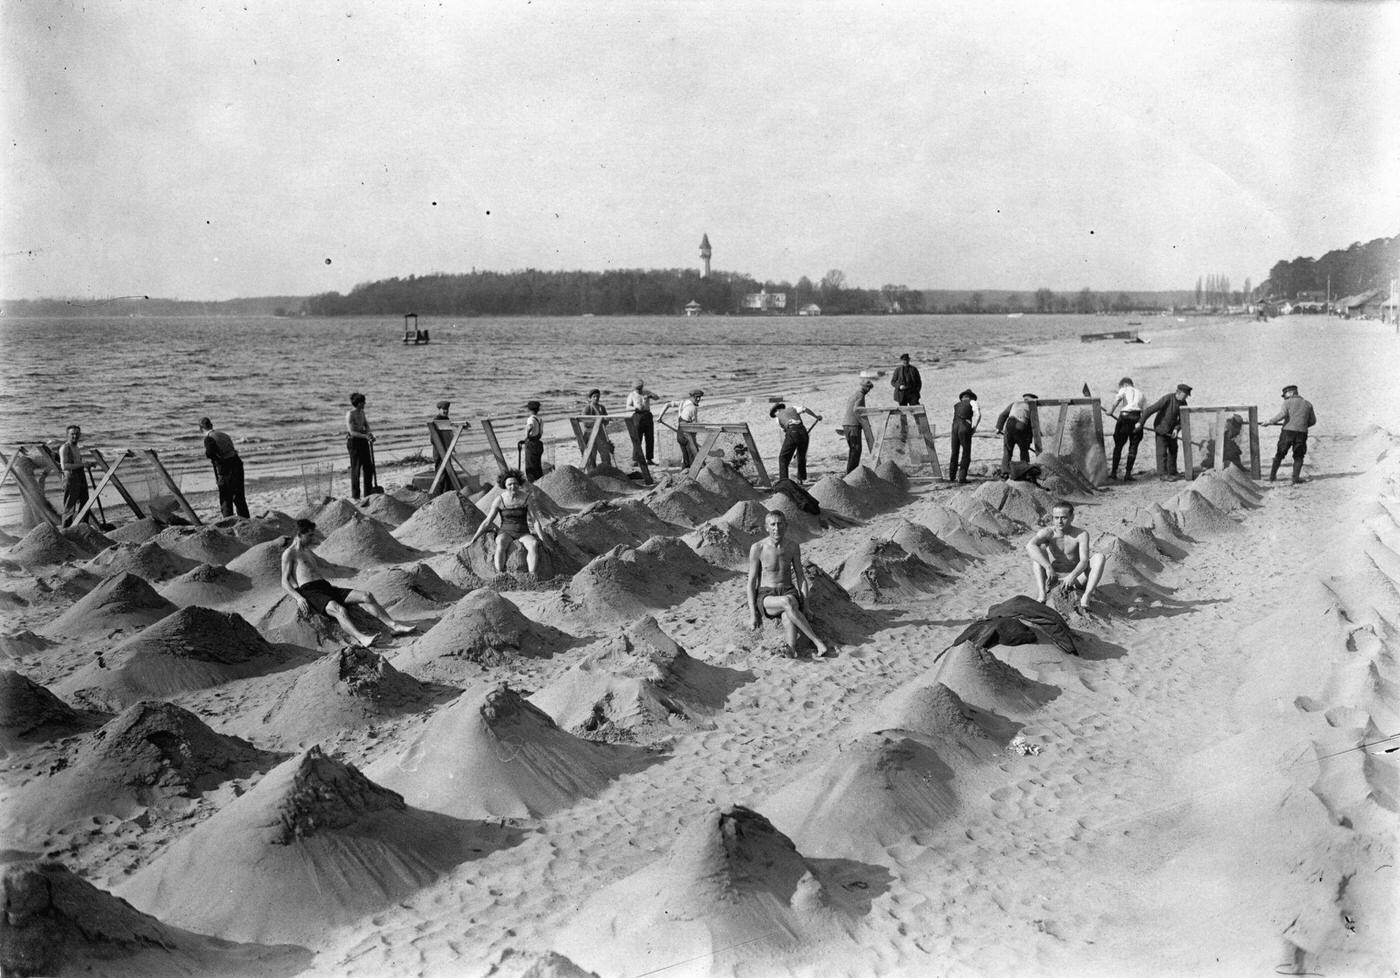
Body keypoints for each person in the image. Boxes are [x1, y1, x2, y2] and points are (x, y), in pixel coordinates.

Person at [281, 519, 415, 646]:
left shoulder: (307, 551)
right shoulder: (289, 553)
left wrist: (353, 570)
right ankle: (362, 638)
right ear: (300, 534)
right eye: (309, 535)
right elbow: (284, 581)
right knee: (339, 610)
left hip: (325, 586)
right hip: (310, 591)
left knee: (366, 596)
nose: (312, 538)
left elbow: (326, 564)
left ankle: (394, 626)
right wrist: (298, 598)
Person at [747, 510, 830, 657]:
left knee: (787, 614)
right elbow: (751, 582)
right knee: (788, 602)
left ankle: (791, 649)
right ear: (766, 527)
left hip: (787, 590)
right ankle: (817, 642)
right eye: (772, 524)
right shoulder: (757, 548)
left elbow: (800, 577)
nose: (776, 528)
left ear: (786, 526)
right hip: (767, 595)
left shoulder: (792, 546)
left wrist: (806, 606)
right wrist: (753, 614)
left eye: (780, 524)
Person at [1025, 500, 1107, 615]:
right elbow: (1029, 546)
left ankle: (1086, 596)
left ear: (1072, 517)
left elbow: (1084, 560)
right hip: (1053, 578)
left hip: (1076, 579)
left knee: (1099, 557)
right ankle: (1042, 594)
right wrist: (1048, 567)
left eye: (1063, 517)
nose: (1059, 521)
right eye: (1056, 517)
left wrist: (1072, 576)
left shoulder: (1081, 534)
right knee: (1037, 556)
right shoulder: (1048, 532)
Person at [467, 468, 550, 577]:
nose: (513, 486)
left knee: (533, 544)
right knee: (501, 543)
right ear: (504, 485)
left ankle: (532, 574)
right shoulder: (499, 500)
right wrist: (474, 538)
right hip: (505, 532)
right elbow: (487, 521)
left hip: (523, 532)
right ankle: (500, 574)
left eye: (515, 483)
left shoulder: (526, 498)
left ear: (519, 484)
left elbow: (535, 521)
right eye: (510, 484)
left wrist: (543, 539)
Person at [1138, 383, 1192, 481]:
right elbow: (1150, 410)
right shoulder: (1167, 399)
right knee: (1162, 452)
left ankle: (1172, 472)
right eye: (1185, 395)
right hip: (1161, 428)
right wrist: (1140, 423)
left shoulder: (1183, 403)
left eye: (1187, 396)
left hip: (1172, 431)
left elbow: (1182, 420)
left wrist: (1176, 429)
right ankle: (1162, 474)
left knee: (1173, 449)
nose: (1186, 398)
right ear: (1178, 393)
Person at [1265, 384, 1317, 484]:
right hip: (1302, 433)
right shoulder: (1308, 404)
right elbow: (1313, 421)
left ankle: (1272, 477)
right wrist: (1301, 425)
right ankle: (1295, 479)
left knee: (1280, 454)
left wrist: (1269, 421)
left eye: (1285, 394)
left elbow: (1282, 415)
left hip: (1287, 433)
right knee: (1299, 456)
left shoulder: (1287, 402)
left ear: (1291, 393)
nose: (1284, 397)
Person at [199, 417, 249, 518]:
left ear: (200, 429)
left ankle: (228, 520)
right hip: (237, 464)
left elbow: (209, 453)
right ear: (211, 425)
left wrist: (217, 459)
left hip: (226, 469)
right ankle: (245, 520)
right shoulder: (224, 435)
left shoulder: (208, 438)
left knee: (225, 497)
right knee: (239, 497)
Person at [1106, 376, 1148, 481]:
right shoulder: (1141, 393)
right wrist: (1140, 423)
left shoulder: (1124, 389)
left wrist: (1110, 410)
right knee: (1133, 447)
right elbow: (1146, 411)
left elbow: (1118, 399)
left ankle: (1113, 473)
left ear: (1124, 384)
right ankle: (1128, 474)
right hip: (1137, 418)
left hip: (1124, 418)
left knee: (1118, 445)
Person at [770, 400, 822, 483]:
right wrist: (816, 417)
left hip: (792, 432)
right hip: (803, 432)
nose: (775, 415)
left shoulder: (778, 418)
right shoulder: (793, 408)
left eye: (774, 413)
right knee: (801, 456)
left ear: (777, 410)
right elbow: (805, 409)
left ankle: (784, 480)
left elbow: (786, 432)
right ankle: (801, 479)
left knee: (783, 458)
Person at [995, 393, 1040, 478]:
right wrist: (1028, 441)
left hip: (1009, 426)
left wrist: (999, 428)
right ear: (1032, 400)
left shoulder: (1015, 403)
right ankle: (1025, 471)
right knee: (1024, 450)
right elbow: (1032, 426)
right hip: (1021, 427)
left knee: (1007, 450)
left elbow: (1003, 415)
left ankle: (1005, 472)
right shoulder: (1032, 407)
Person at [58, 424, 91, 527]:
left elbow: (76, 462)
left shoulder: (76, 447)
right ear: (67, 435)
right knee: (70, 506)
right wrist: (82, 465)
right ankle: (66, 529)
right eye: (72, 434)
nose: (75, 436)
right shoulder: (65, 448)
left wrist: (87, 464)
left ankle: (82, 527)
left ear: (80, 435)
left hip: (79, 476)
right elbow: (65, 466)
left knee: (85, 501)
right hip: (70, 477)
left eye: (77, 434)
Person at [345, 392, 375, 500]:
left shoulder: (362, 412)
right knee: (356, 469)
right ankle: (356, 496)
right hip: (354, 443)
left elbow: (366, 425)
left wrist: (369, 434)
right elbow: (352, 432)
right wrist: (365, 436)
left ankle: (368, 493)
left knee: (368, 467)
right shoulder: (350, 414)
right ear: (358, 403)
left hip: (363, 441)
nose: (364, 404)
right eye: (363, 402)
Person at [841, 379, 874, 474]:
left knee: (852, 449)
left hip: (846, 423)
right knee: (856, 449)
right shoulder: (861, 395)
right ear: (866, 387)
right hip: (853, 425)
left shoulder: (854, 394)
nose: (869, 391)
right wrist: (864, 423)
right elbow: (857, 410)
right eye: (869, 388)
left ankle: (850, 472)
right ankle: (851, 473)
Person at [948, 389, 980, 484]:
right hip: (965, 425)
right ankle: (962, 477)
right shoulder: (972, 402)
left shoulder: (956, 405)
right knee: (966, 452)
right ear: (971, 397)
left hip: (954, 426)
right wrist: (974, 427)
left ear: (962, 397)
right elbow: (978, 414)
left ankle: (951, 476)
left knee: (954, 452)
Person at [626, 379, 660, 465]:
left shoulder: (647, 392)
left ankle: (649, 459)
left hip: (647, 415)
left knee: (650, 438)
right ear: (634, 388)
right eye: (638, 389)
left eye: (640, 388)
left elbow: (657, 398)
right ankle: (636, 459)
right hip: (637, 415)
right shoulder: (632, 395)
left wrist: (651, 396)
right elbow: (627, 407)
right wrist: (635, 408)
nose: (639, 390)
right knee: (637, 437)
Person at [581, 388, 614, 464]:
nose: (596, 398)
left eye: (598, 396)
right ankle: (593, 471)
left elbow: (606, 420)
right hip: (590, 433)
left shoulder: (602, 407)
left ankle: (607, 469)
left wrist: (606, 420)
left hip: (601, 433)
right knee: (592, 454)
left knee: (605, 453)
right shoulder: (587, 408)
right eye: (594, 397)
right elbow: (585, 422)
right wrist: (597, 422)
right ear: (590, 398)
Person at [674, 389, 703, 467]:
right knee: (693, 456)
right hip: (686, 434)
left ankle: (685, 470)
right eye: (696, 397)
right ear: (691, 397)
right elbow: (692, 424)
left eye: (699, 397)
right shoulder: (692, 408)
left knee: (686, 457)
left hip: (680, 434)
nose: (698, 399)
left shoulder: (687, 406)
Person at [522, 401, 545, 482]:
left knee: (530, 466)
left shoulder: (531, 418)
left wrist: (527, 436)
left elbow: (530, 426)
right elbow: (541, 432)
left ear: (529, 409)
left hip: (531, 442)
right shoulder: (540, 419)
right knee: (537, 465)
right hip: (538, 442)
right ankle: (539, 480)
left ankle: (532, 482)